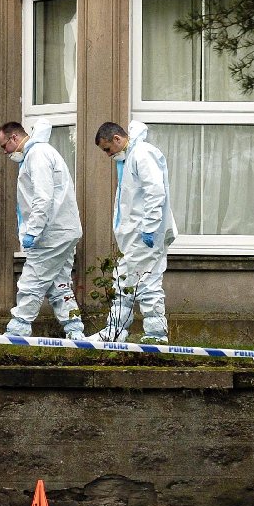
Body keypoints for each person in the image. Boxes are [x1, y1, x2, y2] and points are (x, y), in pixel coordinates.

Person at [88, 120, 178, 344]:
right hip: (136, 236)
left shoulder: (142, 154)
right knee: (125, 282)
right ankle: (116, 331)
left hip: (144, 235)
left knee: (145, 283)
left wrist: (149, 228)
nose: (108, 155)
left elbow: (155, 192)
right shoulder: (131, 158)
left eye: (108, 149)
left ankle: (155, 336)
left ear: (117, 139)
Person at [0, 118, 85, 340]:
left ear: (14, 138)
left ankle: (18, 331)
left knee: (31, 281)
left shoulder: (37, 155)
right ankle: (75, 331)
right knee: (59, 283)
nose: (5, 152)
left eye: (4, 146)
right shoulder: (41, 153)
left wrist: (33, 231)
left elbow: (42, 198)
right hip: (62, 230)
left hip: (50, 234)